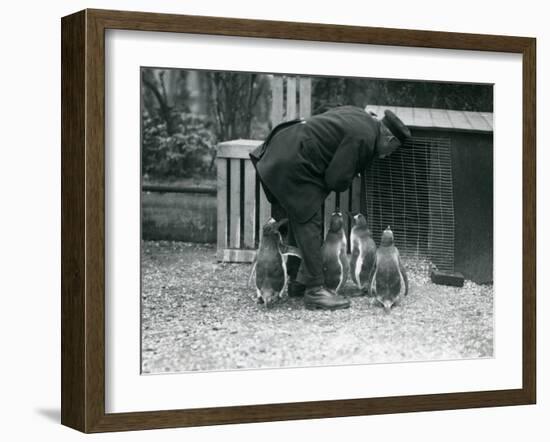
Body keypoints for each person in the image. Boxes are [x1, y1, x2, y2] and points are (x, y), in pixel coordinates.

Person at [250, 105, 411, 310]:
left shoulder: (364, 120)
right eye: (392, 151)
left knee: (300, 219)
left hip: (285, 149)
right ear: (390, 139)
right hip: (292, 161)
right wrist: (351, 173)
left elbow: (327, 116)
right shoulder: (364, 137)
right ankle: (315, 290)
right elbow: (335, 179)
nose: (387, 155)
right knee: (310, 223)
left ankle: (298, 281)